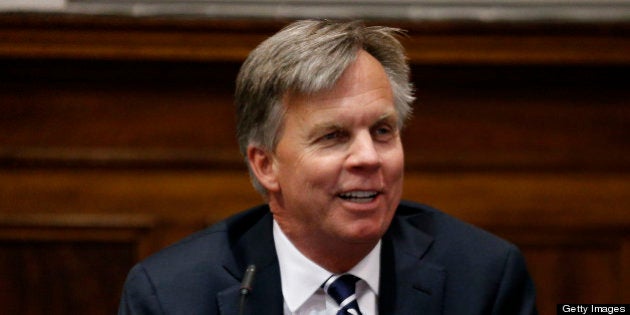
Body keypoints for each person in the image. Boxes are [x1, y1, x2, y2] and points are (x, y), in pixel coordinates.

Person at [118, 20, 538, 315]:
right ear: (266, 166)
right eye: (333, 136)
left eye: (382, 131)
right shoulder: (173, 295)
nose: (368, 157)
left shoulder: (483, 276)